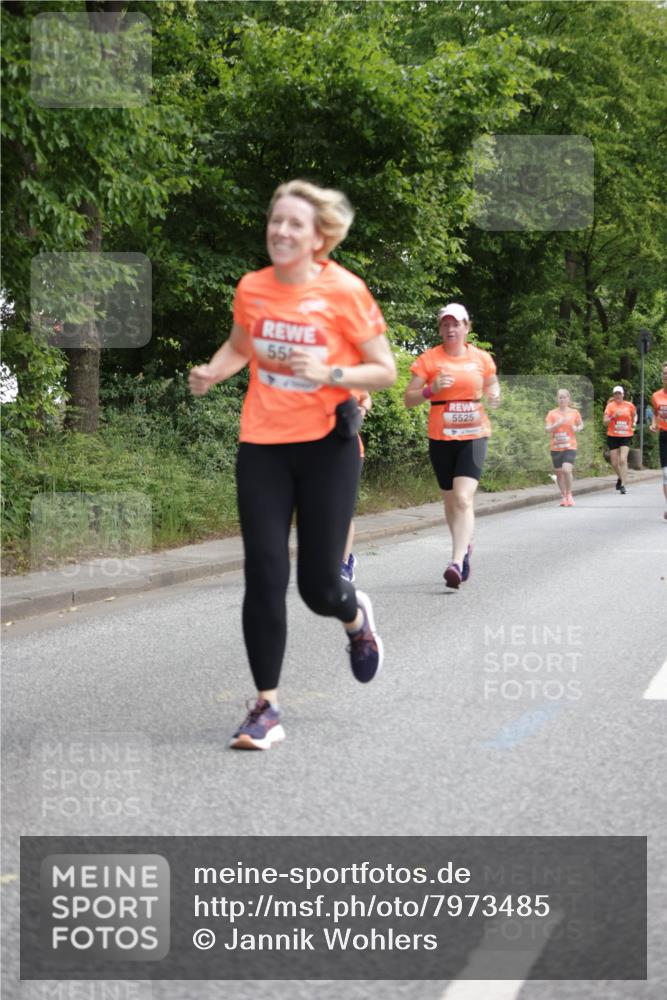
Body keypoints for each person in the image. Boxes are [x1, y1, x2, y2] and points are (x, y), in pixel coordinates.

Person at [189, 179, 396, 750]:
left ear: (318, 237)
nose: (281, 231)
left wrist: (329, 374)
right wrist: (212, 371)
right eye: (275, 220)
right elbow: (240, 346)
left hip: (327, 446)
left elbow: (383, 371)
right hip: (262, 444)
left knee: (319, 587)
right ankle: (266, 708)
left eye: (294, 224)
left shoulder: (346, 291)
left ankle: (356, 621)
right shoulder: (252, 288)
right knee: (263, 573)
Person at [404, 303, 500, 588]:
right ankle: (465, 546)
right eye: (445, 324)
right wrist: (430, 390)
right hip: (441, 437)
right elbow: (409, 399)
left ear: (466, 327)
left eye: (455, 324)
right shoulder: (429, 360)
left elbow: (492, 384)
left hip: (474, 434)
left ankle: (456, 562)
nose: (450, 329)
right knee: (449, 502)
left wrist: (494, 395)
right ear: (440, 329)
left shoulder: (481, 359)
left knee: (462, 498)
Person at [341, 390, 372, 582]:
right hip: (316, 453)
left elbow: (366, 396)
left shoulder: (349, 374)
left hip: (349, 452)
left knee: (343, 510)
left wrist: (363, 408)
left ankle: (344, 563)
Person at [545, 389, 584, 507]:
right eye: (560, 397)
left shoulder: (574, 412)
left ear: (568, 399)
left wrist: (577, 428)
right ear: (557, 399)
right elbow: (547, 429)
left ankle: (569, 494)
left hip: (570, 446)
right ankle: (563, 496)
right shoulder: (552, 413)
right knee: (559, 473)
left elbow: (581, 424)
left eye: (564, 397)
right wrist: (557, 424)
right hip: (556, 447)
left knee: (567, 470)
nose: (562, 399)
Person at [603, 385, 637, 495]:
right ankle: (620, 477)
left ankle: (623, 485)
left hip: (626, 435)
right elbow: (605, 422)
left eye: (619, 393)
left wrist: (634, 423)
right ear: (614, 395)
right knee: (614, 463)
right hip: (612, 435)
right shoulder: (610, 406)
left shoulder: (629, 405)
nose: (617, 395)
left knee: (623, 459)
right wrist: (613, 416)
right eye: (615, 393)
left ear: (623, 395)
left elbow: (635, 415)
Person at [649, 361, 667, 520]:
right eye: (665, 374)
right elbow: (656, 413)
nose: (666, 376)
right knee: (666, 474)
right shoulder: (656, 396)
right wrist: (654, 424)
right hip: (664, 436)